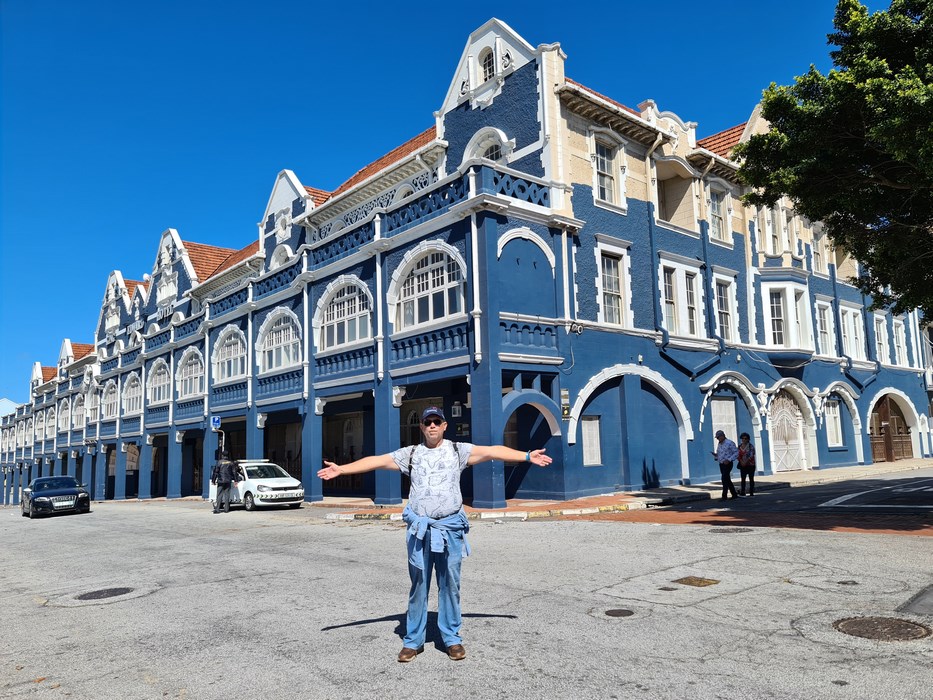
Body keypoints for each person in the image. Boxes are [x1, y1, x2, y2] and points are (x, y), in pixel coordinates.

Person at [317, 406, 553, 663]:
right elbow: (376, 460)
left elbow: (492, 451)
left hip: (450, 528)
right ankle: (413, 640)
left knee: (450, 584)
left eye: (436, 421)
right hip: (420, 530)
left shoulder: (457, 450)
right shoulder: (411, 454)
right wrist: (342, 469)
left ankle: (451, 638)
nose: (431, 425)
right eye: (427, 421)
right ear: (421, 426)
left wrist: (527, 456)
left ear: (443, 426)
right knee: (419, 585)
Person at [712, 430, 739, 500]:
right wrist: (716, 456)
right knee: (727, 479)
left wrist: (729, 460)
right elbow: (719, 454)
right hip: (721, 464)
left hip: (728, 463)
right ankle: (734, 494)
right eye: (717, 438)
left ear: (722, 436)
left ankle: (724, 496)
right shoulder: (719, 444)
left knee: (724, 479)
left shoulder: (730, 443)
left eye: (718, 437)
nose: (718, 439)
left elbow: (736, 453)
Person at [737, 432, 756, 497]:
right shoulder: (739, 447)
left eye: (745, 438)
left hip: (750, 465)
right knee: (743, 479)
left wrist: (746, 462)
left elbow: (751, 455)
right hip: (742, 465)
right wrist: (741, 462)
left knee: (751, 478)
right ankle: (743, 491)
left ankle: (751, 492)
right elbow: (738, 455)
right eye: (743, 438)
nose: (744, 440)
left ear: (748, 439)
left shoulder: (751, 447)